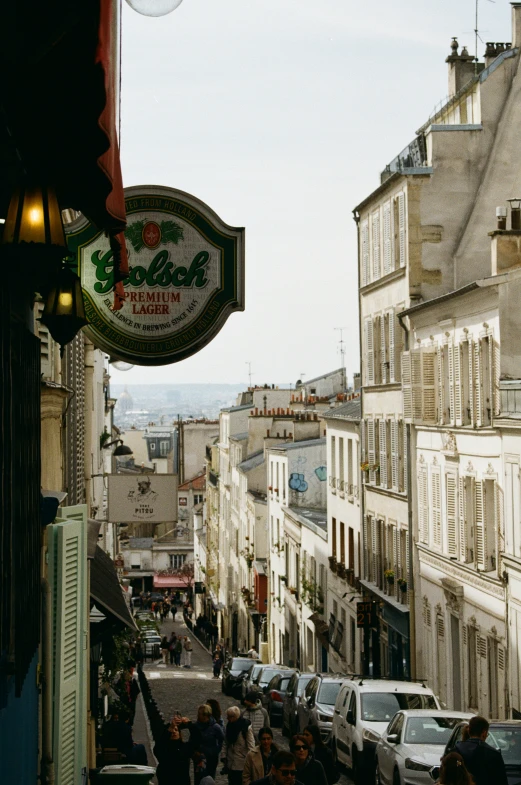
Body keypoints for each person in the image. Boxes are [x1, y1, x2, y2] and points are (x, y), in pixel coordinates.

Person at [455, 716, 508, 785]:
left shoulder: (456, 751)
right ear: (484, 733)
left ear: (469, 730)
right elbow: (501, 781)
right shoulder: (493, 754)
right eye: (487, 734)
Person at [181, 704, 225, 780]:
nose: (198, 716)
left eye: (200, 714)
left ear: (206, 716)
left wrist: (215, 751)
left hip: (211, 758)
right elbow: (191, 741)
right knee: (198, 779)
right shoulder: (196, 726)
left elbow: (222, 740)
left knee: (209, 779)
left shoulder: (215, 727)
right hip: (199, 758)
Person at [222, 706, 255, 785]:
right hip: (231, 762)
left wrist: (251, 761)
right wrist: (223, 756)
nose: (227, 718)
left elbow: (251, 745)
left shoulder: (245, 727)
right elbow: (225, 742)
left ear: (235, 717)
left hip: (242, 763)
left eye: (229, 716)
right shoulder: (229, 726)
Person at [154, 717, 193, 785]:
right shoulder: (164, 749)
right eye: (172, 730)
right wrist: (169, 729)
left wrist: (190, 724)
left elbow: (197, 740)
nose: (174, 731)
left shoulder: (184, 747)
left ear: (179, 733)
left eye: (176, 730)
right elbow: (158, 748)